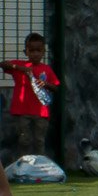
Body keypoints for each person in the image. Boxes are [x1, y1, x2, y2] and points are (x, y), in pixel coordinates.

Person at [2, 32, 59, 163]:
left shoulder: (46, 69)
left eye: (38, 50)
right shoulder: (20, 66)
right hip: (22, 112)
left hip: (41, 112)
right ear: (25, 52)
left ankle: (40, 165)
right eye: (31, 50)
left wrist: (45, 84)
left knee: (39, 140)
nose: (35, 54)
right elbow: (3, 64)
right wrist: (19, 68)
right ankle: (23, 165)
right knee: (24, 140)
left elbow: (56, 87)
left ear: (44, 51)